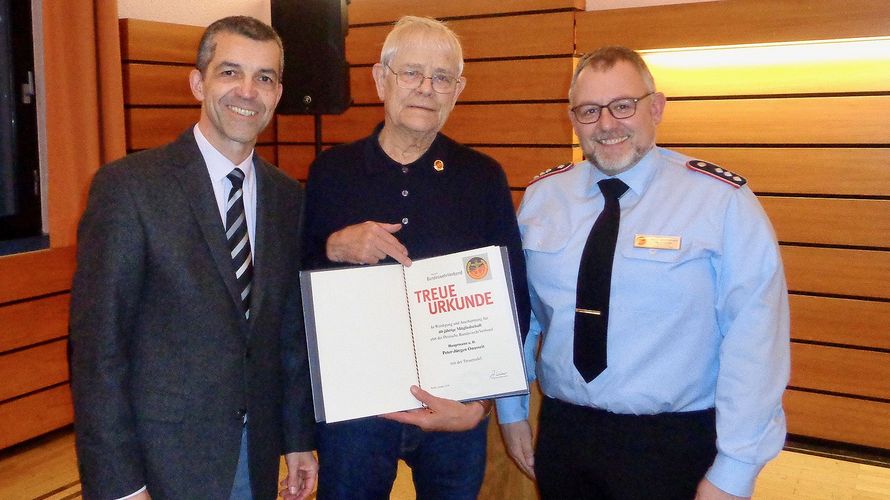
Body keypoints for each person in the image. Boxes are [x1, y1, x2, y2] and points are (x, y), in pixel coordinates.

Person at [496, 46, 790, 500]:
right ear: (573, 119)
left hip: (673, 443)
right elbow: (521, 316)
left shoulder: (720, 202)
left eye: (623, 106)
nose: (608, 124)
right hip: (564, 431)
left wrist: (735, 468)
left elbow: (756, 341)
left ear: (656, 107)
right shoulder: (543, 197)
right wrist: (513, 409)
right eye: (590, 110)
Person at [69, 16, 317, 500]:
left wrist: (298, 440)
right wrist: (120, 484)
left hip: (256, 457)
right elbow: (98, 351)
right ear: (198, 82)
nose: (247, 91)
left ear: (278, 93)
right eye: (230, 72)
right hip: (160, 465)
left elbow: (285, 336)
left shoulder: (288, 197)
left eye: (264, 78)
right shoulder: (129, 189)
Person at [302, 15, 530, 500]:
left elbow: (514, 298)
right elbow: (294, 286)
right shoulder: (330, 172)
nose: (426, 88)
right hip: (357, 413)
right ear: (381, 79)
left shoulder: (482, 177)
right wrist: (331, 246)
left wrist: (481, 405)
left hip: (455, 409)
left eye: (442, 77)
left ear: (457, 89)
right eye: (411, 73)